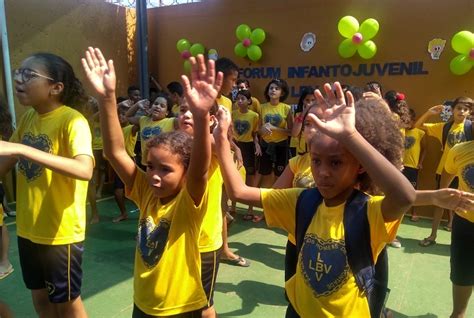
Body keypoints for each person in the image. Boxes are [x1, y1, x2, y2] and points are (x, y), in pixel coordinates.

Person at [214, 81, 416, 317]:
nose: (323, 172)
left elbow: (405, 196)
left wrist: (351, 136)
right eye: (316, 161)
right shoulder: (301, 200)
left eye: (336, 162)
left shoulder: (369, 211)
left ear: (360, 165)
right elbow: (239, 192)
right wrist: (220, 140)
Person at [83, 47, 219, 317]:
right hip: (143, 304)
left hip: (180, 308)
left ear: (185, 172)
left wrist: (202, 116)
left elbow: (201, 168)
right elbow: (115, 152)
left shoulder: (189, 201)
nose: (154, 175)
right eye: (150, 166)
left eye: (166, 169)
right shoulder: (146, 190)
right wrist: (106, 97)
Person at [1, 53, 93, 317]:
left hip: (59, 233)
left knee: (66, 303)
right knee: (40, 297)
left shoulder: (72, 120)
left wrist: (20, 148)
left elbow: (84, 169)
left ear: (56, 88)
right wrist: (15, 150)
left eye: (29, 74)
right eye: (19, 71)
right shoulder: (30, 118)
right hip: (29, 229)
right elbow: (5, 163)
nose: (19, 79)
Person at [416, 97, 473, 246]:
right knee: (441, 203)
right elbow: (418, 125)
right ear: (453, 110)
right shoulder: (444, 127)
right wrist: (429, 113)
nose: (461, 111)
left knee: (464, 205)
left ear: (469, 112)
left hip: (465, 174)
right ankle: (433, 235)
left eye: (465, 109)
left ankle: (456, 239)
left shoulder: (471, 127)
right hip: (444, 171)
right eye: (459, 108)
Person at [442, 133, 474, 318]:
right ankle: (459, 313)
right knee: (462, 273)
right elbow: (447, 175)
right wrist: (444, 198)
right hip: (465, 224)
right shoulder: (459, 150)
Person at [232, 89, 261, 221]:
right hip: (235, 146)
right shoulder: (232, 114)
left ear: (249, 101)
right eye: (238, 98)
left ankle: (250, 209)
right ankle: (232, 207)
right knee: (233, 175)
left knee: (249, 177)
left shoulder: (254, 116)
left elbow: (255, 134)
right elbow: (229, 133)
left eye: (243, 98)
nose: (240, 101)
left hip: (248, 148)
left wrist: (257, 144)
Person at [257, 79, 293, 187]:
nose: (273, 90)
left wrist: (275, 128)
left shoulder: (287, 108)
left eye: (277, 89)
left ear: (282, 93)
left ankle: (276, 199)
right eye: (271, 88)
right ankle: (265, 199)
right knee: (266, 175)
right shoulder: (262, 107)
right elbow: (258, 130)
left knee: (280, 175)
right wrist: (262, 130)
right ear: (267, 91)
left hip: (281, 146)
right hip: (265, 145)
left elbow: (292, 132)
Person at [126, 94, 177, 167]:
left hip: (163, 164)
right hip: (146, 164)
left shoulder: (172, 121)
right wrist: (138, 104)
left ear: (167, 112)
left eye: (162, 106)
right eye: (155, 104)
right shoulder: (143, 120)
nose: (157, 106)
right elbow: (128, 116)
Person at [112, 104, 139, 223]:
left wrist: (137, 107)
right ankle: (123, 213)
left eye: (124, 114)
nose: (121, 117)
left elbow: (139, 123)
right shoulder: (115, 130)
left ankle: (144, 217)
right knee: (118, 192)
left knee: (137, 192)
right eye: (119, 115)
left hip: (130, 162)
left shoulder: (131, 128)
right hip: (118, 163)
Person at [403, 108, 426, 221]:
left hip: (413, 166)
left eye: (410, 121)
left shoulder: (419, 132)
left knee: (413, 189)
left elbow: (424, 149)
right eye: (405, 121)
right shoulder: (400, 131)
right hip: (400, 166)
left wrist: (420, 163)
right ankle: (399, 211)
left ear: (414, 120)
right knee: (398, 188)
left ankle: (414, 212)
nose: (408, 123)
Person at [290, 88, 316, 157]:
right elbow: (294, 133)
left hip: (315, 152)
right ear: (303, 101)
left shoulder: (320, 115)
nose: (310, 103)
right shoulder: (298, 115)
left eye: (313, 100)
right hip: (301, 153)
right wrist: (304, 112)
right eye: (307, 100)